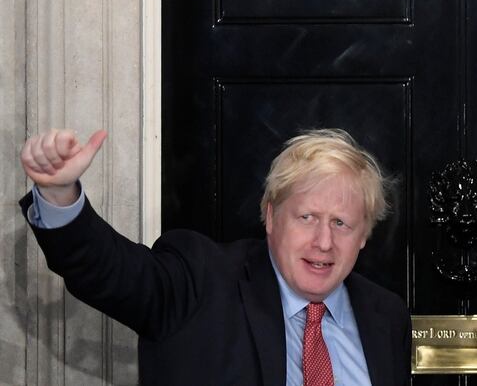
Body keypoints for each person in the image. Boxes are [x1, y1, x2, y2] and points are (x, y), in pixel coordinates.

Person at [19, 128, 411, 386]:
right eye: (307, 217)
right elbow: (110, 271)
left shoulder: (386, 316)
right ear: (271, 216)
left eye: (342, 223)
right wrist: (60, 195)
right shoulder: (199, 281)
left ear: (364, 236)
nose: (323, 242)